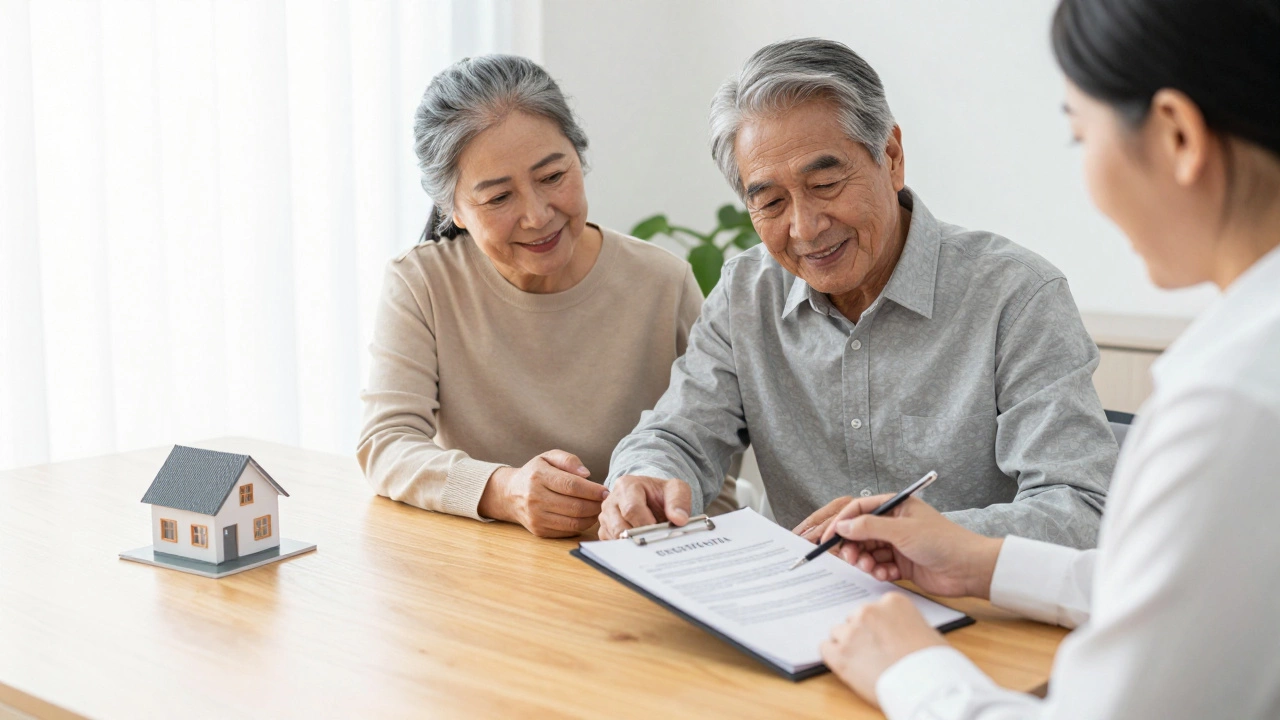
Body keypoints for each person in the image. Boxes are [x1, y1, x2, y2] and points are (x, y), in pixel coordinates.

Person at [817, 1, 1280, 717]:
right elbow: (1198, 591)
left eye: (1080, 135)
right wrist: (984, 561)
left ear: (1178, 135)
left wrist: (910, 671)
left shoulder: (1231, 403)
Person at [599, 38, 1115, 549]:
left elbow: (1082, 507)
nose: (805, 228)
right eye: (771, 202)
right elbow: (678, 434)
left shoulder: (1016, 296)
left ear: (891, 157)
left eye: (825, 184)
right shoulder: (745, 294)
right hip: (797, 595)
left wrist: (924, 540)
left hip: (967, 598)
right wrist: (644, 478)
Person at [357, 55, 735, 538]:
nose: (537, 216)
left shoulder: (663, 282)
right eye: (499, 198)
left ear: (579, 157)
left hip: (633, 554)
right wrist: (504, 490)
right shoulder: (423, 283)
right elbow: (386, 443)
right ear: (453, 209)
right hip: (488, 556)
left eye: (553, 177)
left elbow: (714, 471)